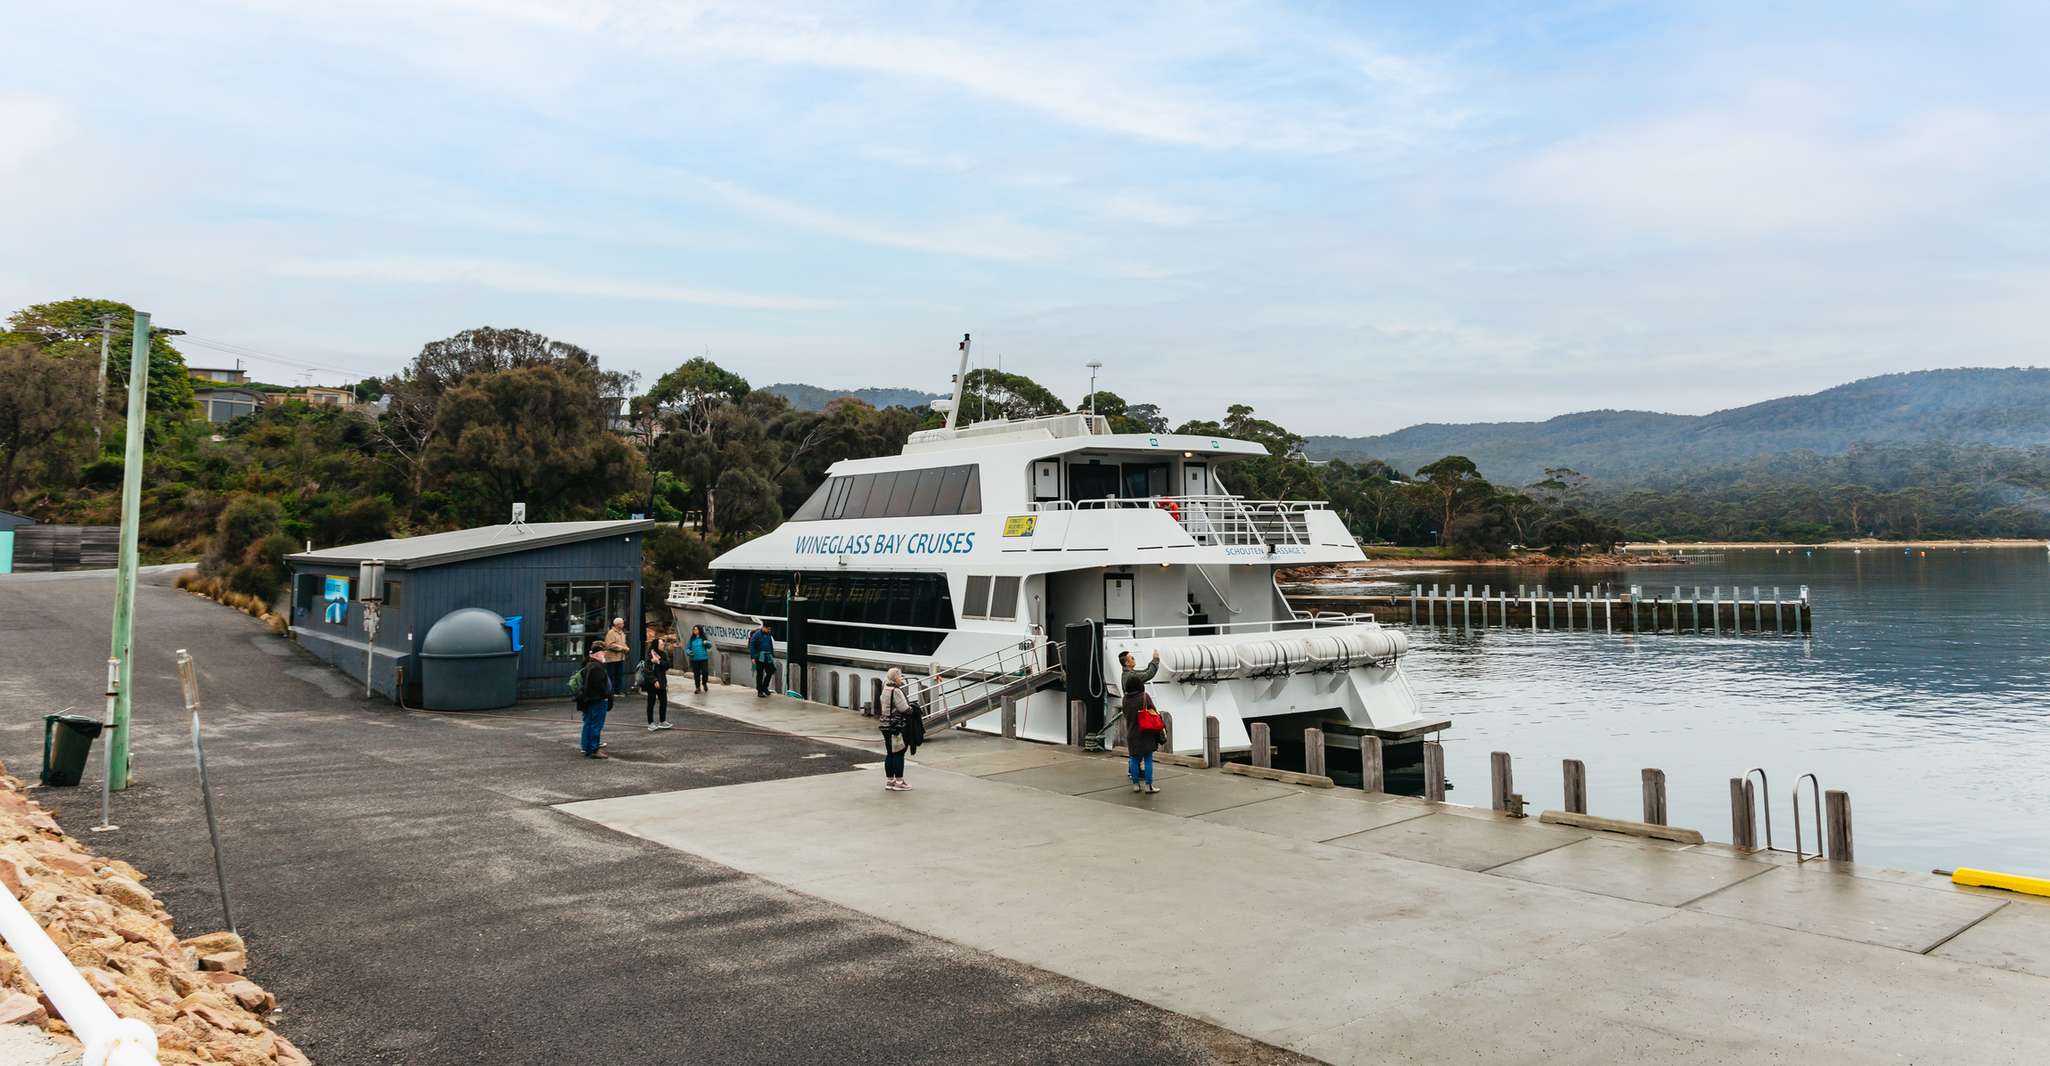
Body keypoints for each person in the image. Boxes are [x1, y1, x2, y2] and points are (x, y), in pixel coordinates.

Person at [1120, 648, 1162, 793]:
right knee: (1148, 759)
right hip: (1145, 731)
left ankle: (1136, 785)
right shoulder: (1144, 697)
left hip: (1132, 731)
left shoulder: (1125, 699)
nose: (1133, 659)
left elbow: (1125, 713)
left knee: (1133, 758)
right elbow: (1154, 712)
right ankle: (1149, 786)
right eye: (1131, 658)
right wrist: (1155, 659)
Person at [575, 643, 613, 759]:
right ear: (597, 654)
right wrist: (607, 695)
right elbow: (599, 685)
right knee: (596, 725)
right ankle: (594, 749)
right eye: (602, 653)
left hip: (590, 699)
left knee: (589, 723)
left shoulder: (589, 665)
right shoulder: (597, 667)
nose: (604, 655)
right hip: (598, 700)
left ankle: (587, 747)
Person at [879, 667, 914, 791]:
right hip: (896, 726)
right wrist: (912, 709)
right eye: (900, 676)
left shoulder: (885, 689)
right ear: (895, 677)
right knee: (899, 753)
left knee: (890, 753)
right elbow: (903, 708)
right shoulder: (896, 691)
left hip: (885, 725)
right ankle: (899, 782)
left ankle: (890, 781)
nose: (902, 678)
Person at [643, 626, 673, 731]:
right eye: (661, 644)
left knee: (663, 701)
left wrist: (659, 662)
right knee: (651, 702)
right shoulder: (650, 654)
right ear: (656, 645)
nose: (663, 645)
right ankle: (650, 723)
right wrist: (654, 680)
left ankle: (662, 721)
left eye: (663, 644)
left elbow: (668, 665)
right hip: (652, 682)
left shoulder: (663, 654)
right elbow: (647, 670)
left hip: (662, 681)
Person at [601, 617, 630, 694]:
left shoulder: (622, 633)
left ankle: (618, 691)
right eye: (622, 623)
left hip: (620, 658)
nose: (623, 624)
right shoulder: (611, 633)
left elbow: (623, 643)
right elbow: (610, 645)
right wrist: (622, 648)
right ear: (617, 624)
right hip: (611, 658)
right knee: (611, 675)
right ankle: (611, 691)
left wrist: (626, 647)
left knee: (619, 675)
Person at [747, 623, 777, 697]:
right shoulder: (756, 635)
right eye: (768, 629)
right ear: (764, 627)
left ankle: (764, 687)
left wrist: (772, 654)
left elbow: (770, 644)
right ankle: (759, 691)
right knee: (760, 674)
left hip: (767, 656)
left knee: (770, 671)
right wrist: (753, 657)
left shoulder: (768, 635)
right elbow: (752, 645)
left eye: (769, 629)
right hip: (759, 657)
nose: (769, 630)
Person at [685, 625, 712, 694]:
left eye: (696, 629)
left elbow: (710, 646)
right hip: (694, 659)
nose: (694, 631)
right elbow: (688, 648)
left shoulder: (703, 638)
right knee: (696, 674)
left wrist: (707, 642)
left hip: (703, 659)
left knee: (705, 672)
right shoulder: (692, 639)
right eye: (693, 630)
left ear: (699, 630)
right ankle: (698, 688)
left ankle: (704, 683)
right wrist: (689, 652)